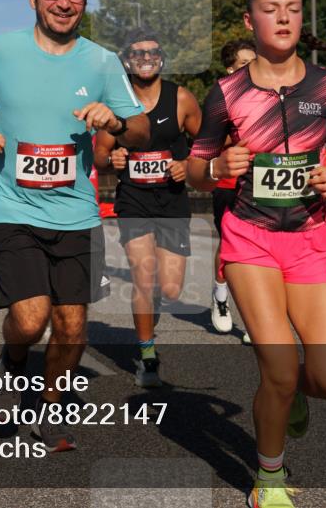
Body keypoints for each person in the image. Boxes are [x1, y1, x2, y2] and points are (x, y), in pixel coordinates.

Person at [0, 0, 148, 452]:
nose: (63, 2)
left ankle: (49, 406)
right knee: (32, 318)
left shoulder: (103, 61)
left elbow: (141, 129)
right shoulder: (0, 48)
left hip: (76, 212)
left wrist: (116, 122)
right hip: (10, 204)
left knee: (73, 327)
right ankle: (13, 361)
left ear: (85, 1)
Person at [187, 0, 326, 508]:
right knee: (280, 367)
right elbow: (194, 169)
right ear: (250, 20)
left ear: (302, 17)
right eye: (270, 9)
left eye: (293, 8)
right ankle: (269, 480)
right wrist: (216, 165)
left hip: (310, 238)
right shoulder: (226, 93)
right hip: (250, 238)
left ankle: (290, 398)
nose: (283, 18)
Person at [93, 28, 201, 388]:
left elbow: (206, 145)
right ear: (127, 60)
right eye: (137, 53)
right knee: (143, 276)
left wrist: (188, 165)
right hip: (134, 200)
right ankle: (148, 354)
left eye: (152, 52)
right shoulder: (117, 103)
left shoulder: (182, 100)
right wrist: (114, 159)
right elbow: (100, 154)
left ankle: (147, 323)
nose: (145, 58)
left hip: (171, 200)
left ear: (162, 59)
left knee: (168, 289)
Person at [211, 38, 255, 339]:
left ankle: (257, 319)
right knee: (231, 245)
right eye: (244, 64)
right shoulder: (220, 99)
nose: (252, 69)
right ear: (230, 69)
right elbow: (206, 143)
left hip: (261, 183)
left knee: (260, 250)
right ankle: (220, 295)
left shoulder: (273, 94)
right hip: (228, 184)